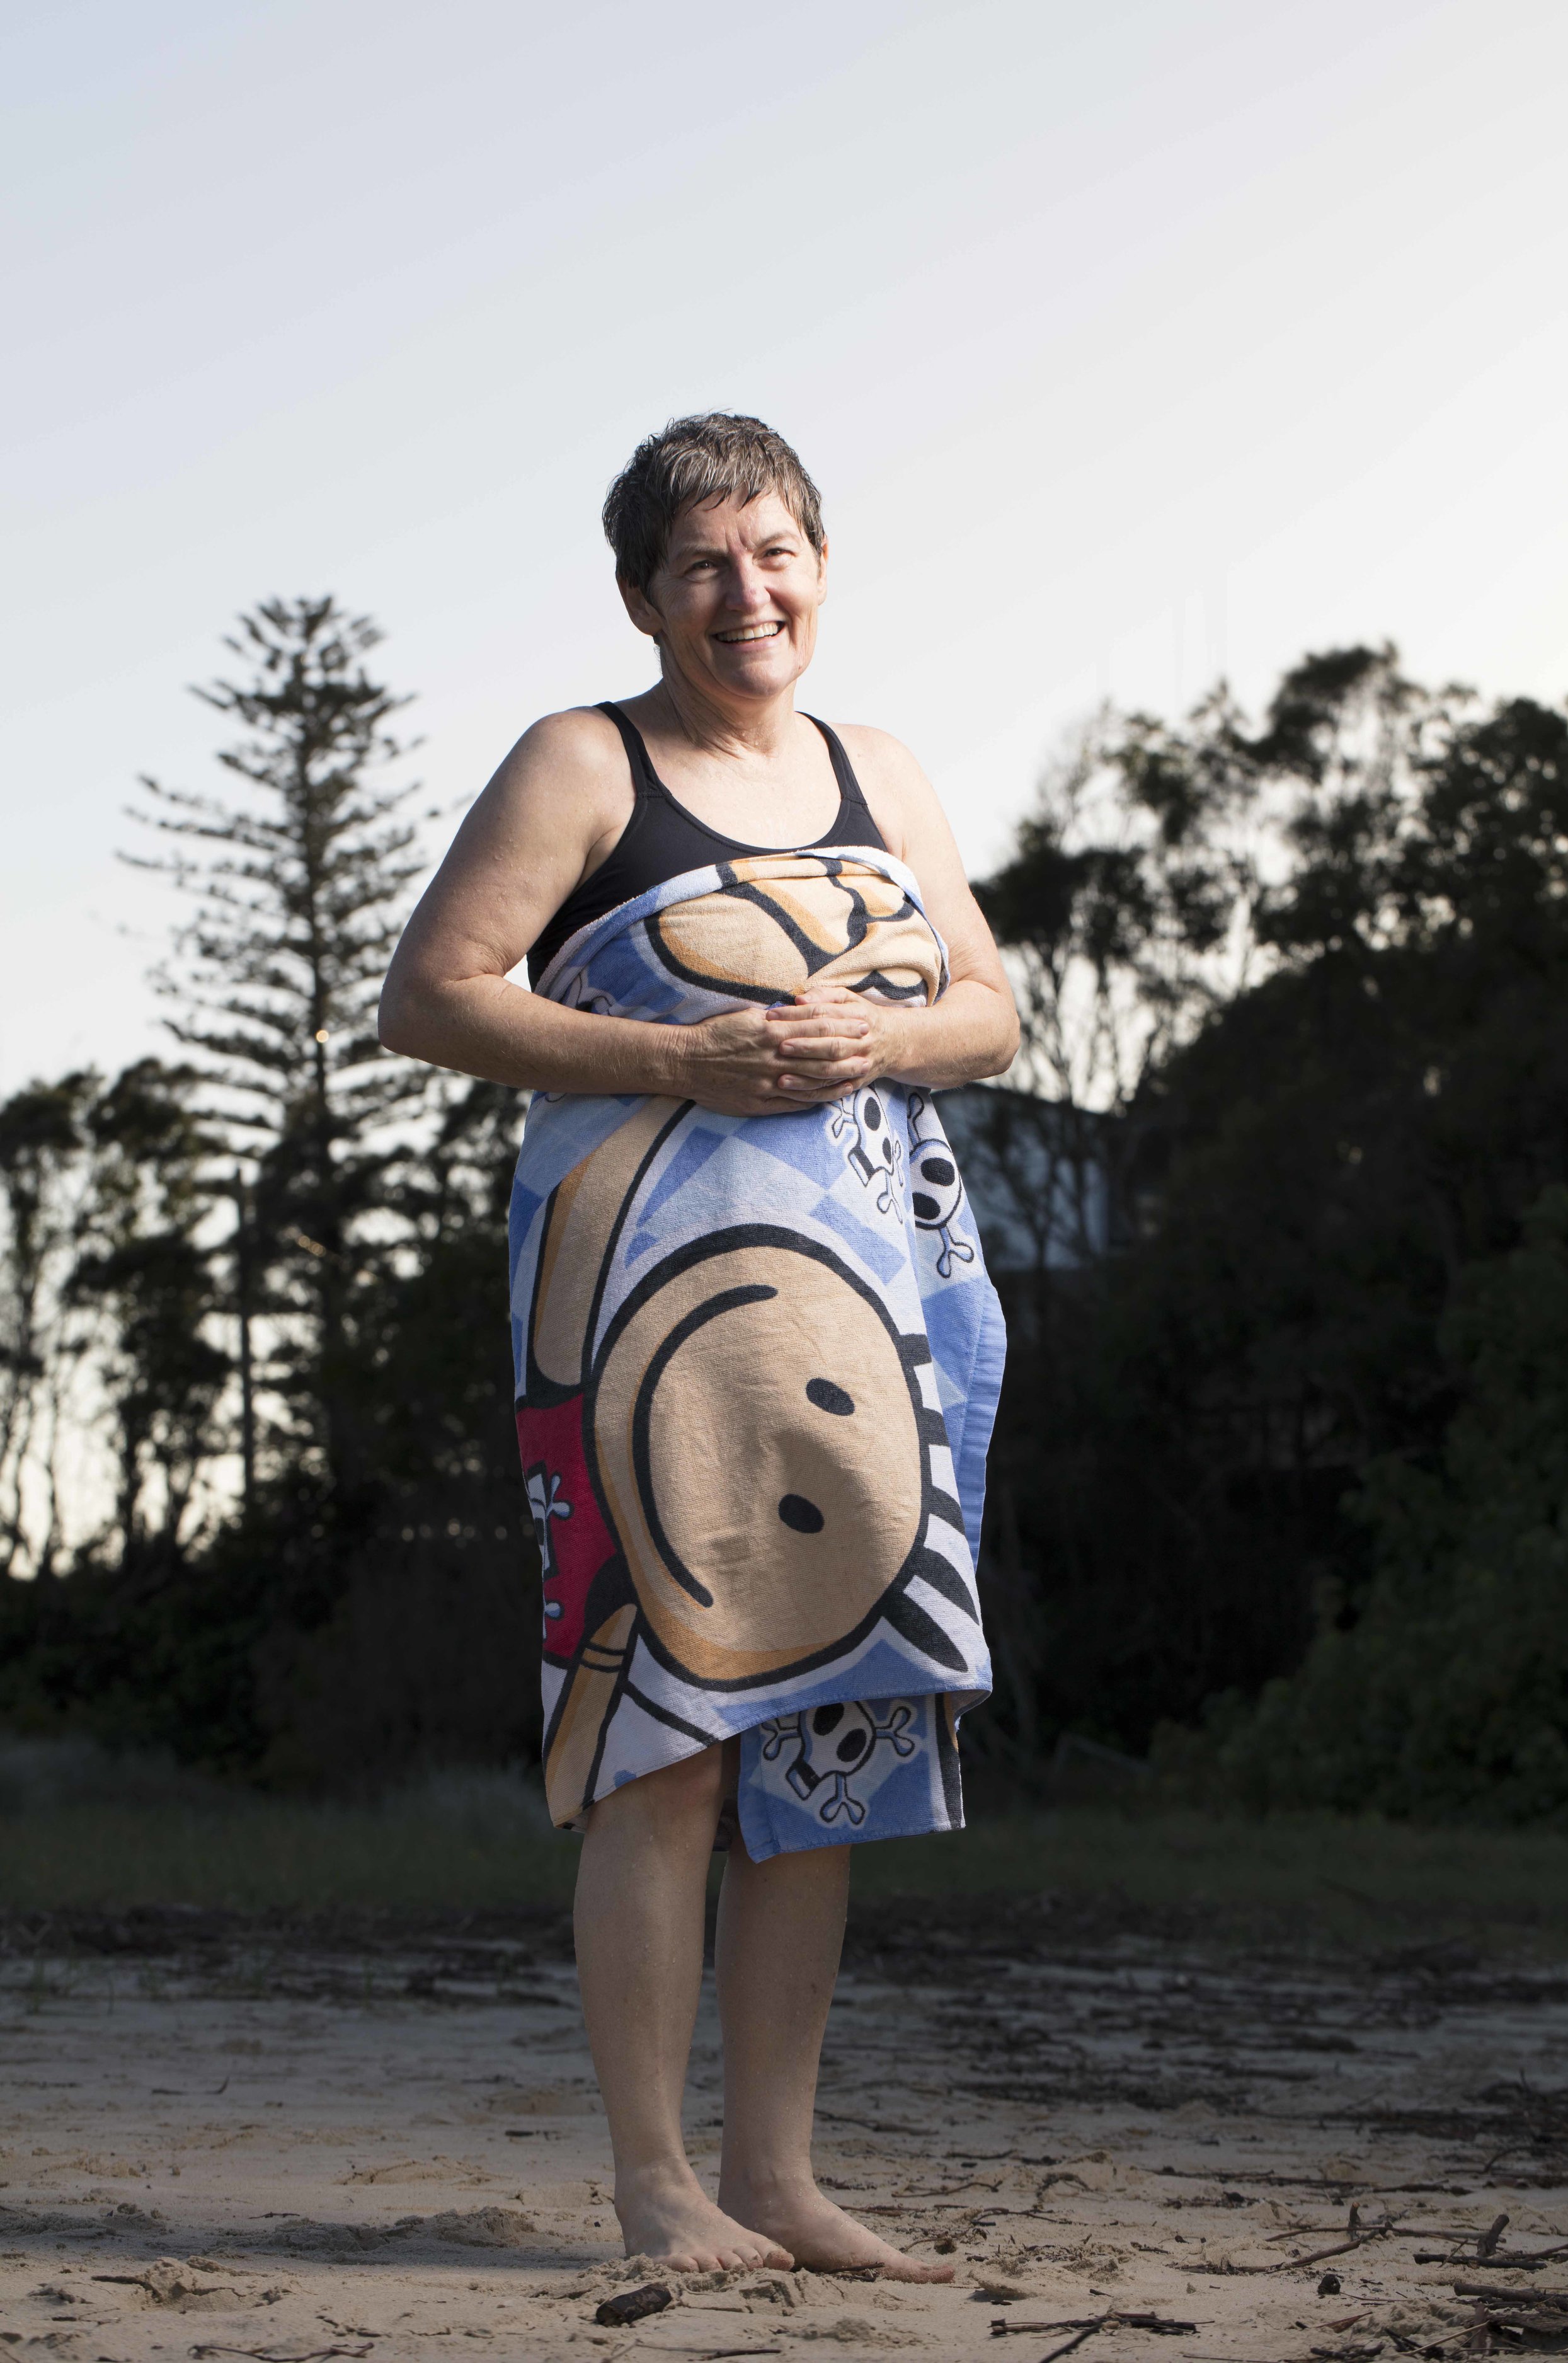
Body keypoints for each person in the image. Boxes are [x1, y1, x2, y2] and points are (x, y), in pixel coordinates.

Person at [380, 413, 1019, 2278]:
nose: (747, 593)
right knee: (663, 1740)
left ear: (819, 564)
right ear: (644, 597)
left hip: (867, 1321)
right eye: (703, 566)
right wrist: (687, 1058)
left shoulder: (877, 768)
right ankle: (657, 2180)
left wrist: (875, 1044)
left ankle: (780, 2178)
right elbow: (433, 995)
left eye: (775, 553)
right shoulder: (583, 762)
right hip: (636, 1323)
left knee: (820, 1723)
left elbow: (987, 1011)